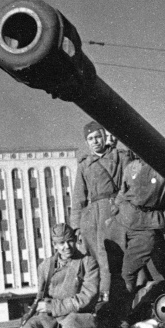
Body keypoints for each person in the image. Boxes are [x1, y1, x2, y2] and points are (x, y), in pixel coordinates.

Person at [108, 157, 165, 328]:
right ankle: (114, 318)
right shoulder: (133, 166)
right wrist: (116, 205)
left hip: (145, 225)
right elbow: (124, 189)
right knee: (114, 273)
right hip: (123, 217)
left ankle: (122, 318)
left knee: (128, 272)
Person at [71, 121, 133, 305]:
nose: (95, 141)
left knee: (124, 255)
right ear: (87, 143)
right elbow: (78, 198)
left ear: (105, 137)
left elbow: (131, 183)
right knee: (101, 259)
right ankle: (105, 299)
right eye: (90, 139)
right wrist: (76, 227)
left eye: (98, 136)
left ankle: (128, 294)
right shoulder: (84, 165)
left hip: (118, 210)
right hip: (95, 220)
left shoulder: (120, 157)